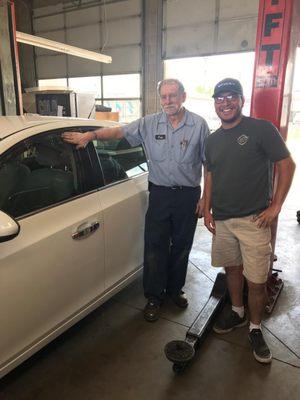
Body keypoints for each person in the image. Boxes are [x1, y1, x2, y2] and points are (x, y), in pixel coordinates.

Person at [63, 78, 209, 322]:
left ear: (183, 96)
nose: (168, 101)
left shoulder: (199, 125)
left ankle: (174, 290)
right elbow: (119, 131)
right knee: (154, 247)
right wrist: (90, 135)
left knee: (182, 246)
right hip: (160, 194)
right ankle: (154, 296)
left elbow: (209, 164)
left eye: (173, 95)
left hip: (188, 195)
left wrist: (206, 198)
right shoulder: (149, 123)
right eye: (164, 96)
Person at [203, 78, 295, 364]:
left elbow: (287, 164)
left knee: (256, 280)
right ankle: (238, 313)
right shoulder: (212, 140)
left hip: (254, 220)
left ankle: (255, 328)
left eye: (231, 97)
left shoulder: (261, 129)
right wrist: (207, 209)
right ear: (215, 103)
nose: (225, 102)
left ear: (241, 100)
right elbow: (210, 175)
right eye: (220, 98)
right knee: (232, 269)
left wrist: (276, 206)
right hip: (223, 219)